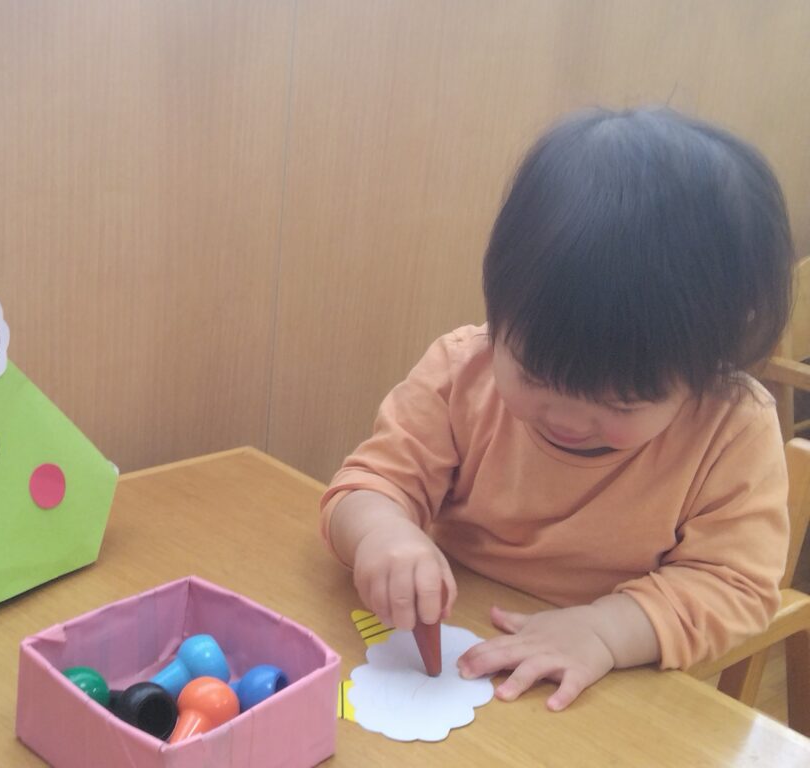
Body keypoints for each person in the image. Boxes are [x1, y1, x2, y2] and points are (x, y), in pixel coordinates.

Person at [320, 107, 794, 711]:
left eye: (621, 401)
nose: (567, 420)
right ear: (502, 307)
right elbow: (367, 485)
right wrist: (381, 532)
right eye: (535, 375)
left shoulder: (730, 429)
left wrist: (604, 631)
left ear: (708, 363)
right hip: (452, 639)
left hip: (608, 681)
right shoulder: (463, 371)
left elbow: (734, 587)